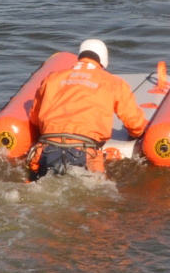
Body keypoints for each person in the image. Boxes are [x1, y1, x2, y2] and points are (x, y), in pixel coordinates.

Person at [26, 39, 146, 180]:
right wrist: (137, 134)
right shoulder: (114, 83)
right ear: (103, 62)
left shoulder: (52, 78)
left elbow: (35, 119)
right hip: (85, 152)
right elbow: (135, 125)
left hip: (47, 149)